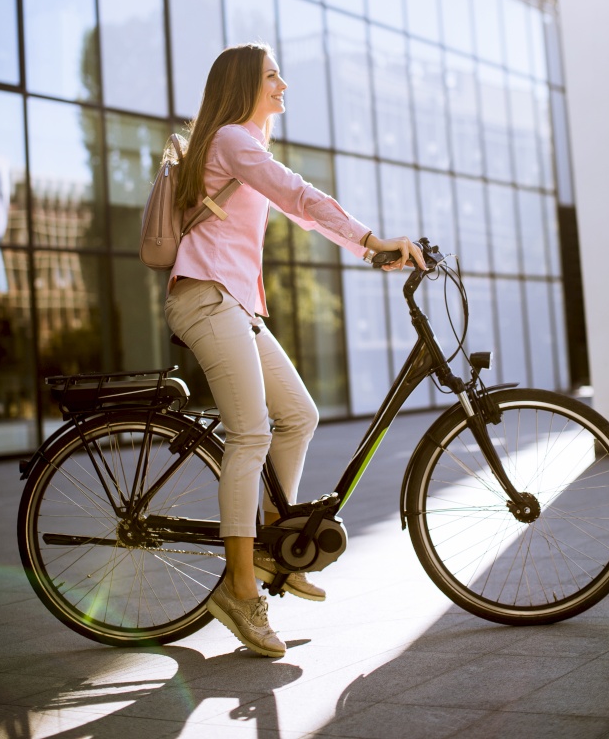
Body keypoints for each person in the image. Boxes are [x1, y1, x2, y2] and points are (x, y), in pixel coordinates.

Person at [164, 42, 426, 658]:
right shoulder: (231, 138)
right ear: (243, 86)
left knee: (299, 416)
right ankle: (240, 587)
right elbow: (297, 196)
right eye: (272, 76)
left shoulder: (240, 145)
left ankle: (268, 548)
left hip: (236, 305)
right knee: (250, 432)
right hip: (205, 297)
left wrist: (368, 251)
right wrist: (370, 239)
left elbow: (298, 208)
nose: (283, 86)